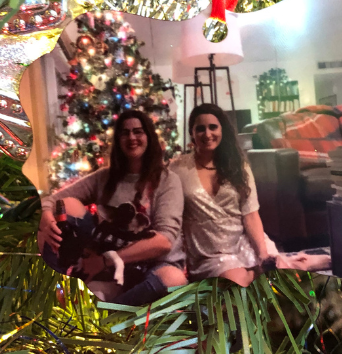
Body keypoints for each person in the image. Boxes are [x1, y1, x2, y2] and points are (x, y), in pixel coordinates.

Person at [38, 110, 187, 305]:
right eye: (125, 133)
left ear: (149, 136)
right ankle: (57, 283)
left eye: (138, 131)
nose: (131, 137)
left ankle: (112, 318)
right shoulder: (104, 178)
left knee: (174, 280)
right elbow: (52, 200)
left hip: (153, 265)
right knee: (67, 206)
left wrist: (105, 261)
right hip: (109, 265)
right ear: (118, 140)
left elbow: (164, 242)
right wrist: (47, 217)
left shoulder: (167, 180)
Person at [171, 103, 269, 287]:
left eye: (213, 127)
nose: (207, 134)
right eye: (200, 129)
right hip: (207, 255)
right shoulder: (178, 169)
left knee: (284, 277)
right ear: (192, 133)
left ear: (222, 129)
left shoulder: (239, 167)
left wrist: (263, 254)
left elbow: (250, 215)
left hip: (243, 245)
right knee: (235, 284)